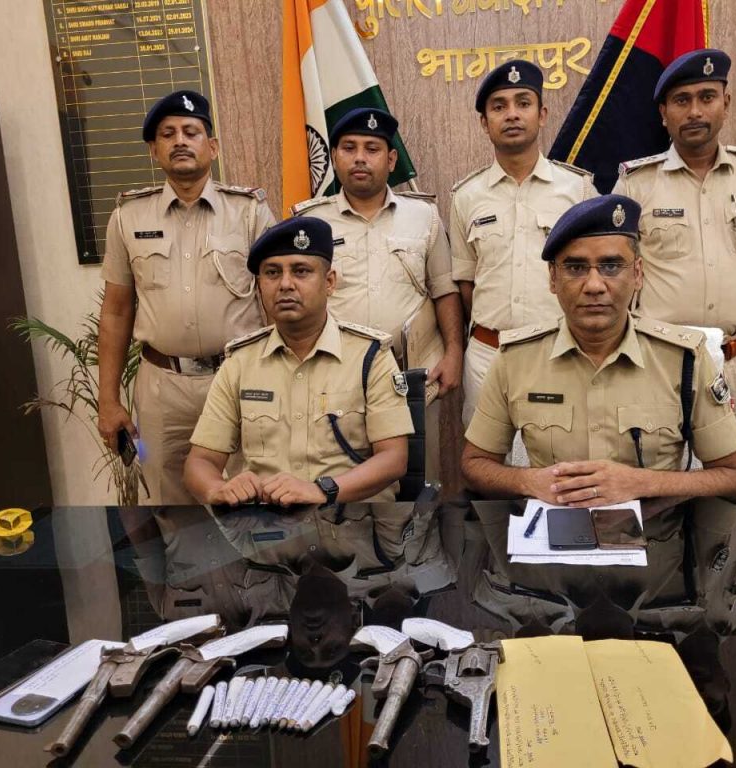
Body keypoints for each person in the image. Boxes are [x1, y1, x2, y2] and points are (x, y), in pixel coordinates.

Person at [461, 195, 736, 505]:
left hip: (655, 531)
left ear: (637, 274)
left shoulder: (684, 359)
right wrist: (529, 481)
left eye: (611, 266)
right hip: (554, 528)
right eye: (576, 268)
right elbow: (475, 464)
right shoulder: (516, 359)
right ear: (553, 278)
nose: (594, 285)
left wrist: (641, 483)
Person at [613, 49, 736, 472]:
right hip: (660, 363)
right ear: (663, 113)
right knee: (656, 483)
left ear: (725, 103)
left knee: (732, 486)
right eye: (681, 100)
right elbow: (616, 271)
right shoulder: (636, 183)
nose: (694, 111)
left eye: (706, 97)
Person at [98, 90, 277, 503]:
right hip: (161, 388)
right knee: (166, 496)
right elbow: (116, 311)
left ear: (212, 147)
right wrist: (108, 400)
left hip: (239, 378)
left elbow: (276, 303)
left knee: (252, 493)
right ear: (153, 150)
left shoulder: (250, 212)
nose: (180, 140)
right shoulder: (127, 217)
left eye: (191, 132)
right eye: (168, 134)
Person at [184, 217, 414, 506]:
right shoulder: (240, 363)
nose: (285, 284)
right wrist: (217, 489)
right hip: (268, 524)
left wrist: (322, 491)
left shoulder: (370, 356)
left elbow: (393, 458)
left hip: (352, 520)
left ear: (329, 282)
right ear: (259, 286)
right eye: (272, 273)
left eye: (301, 271)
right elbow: (200, 461)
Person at [291, 108, 463, 479]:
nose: (360, 158)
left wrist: (453, 353)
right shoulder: (309, 223)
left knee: (420, 485)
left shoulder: (423, 216)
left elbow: (444, 289)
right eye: (349, 148)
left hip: (413, 377)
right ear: (333, 156)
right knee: (342, 481)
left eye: (372, 149)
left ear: (391, 159)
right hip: (337, 379)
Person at [450, 59, 598, 427]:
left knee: (560, 453)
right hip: (487, 356)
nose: (512, 114)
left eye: (523, 103)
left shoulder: (577, 190)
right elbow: (466, 284)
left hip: (559, 352)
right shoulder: (466, 196)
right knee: (485, 457)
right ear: (485, 122)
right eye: (499, 106)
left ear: (542, 114)